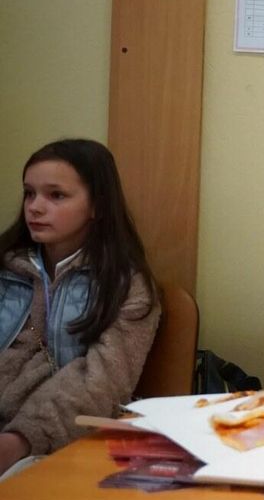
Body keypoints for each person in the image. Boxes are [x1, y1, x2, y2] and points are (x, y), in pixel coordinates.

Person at [0, 139, 161, 477]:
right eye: (29, 193)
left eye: (56, 195)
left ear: (97, 206)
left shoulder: (126, 286)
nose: (35, 207)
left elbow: (100, 383)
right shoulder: (6, 268)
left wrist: (19, 440)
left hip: (55, 443)